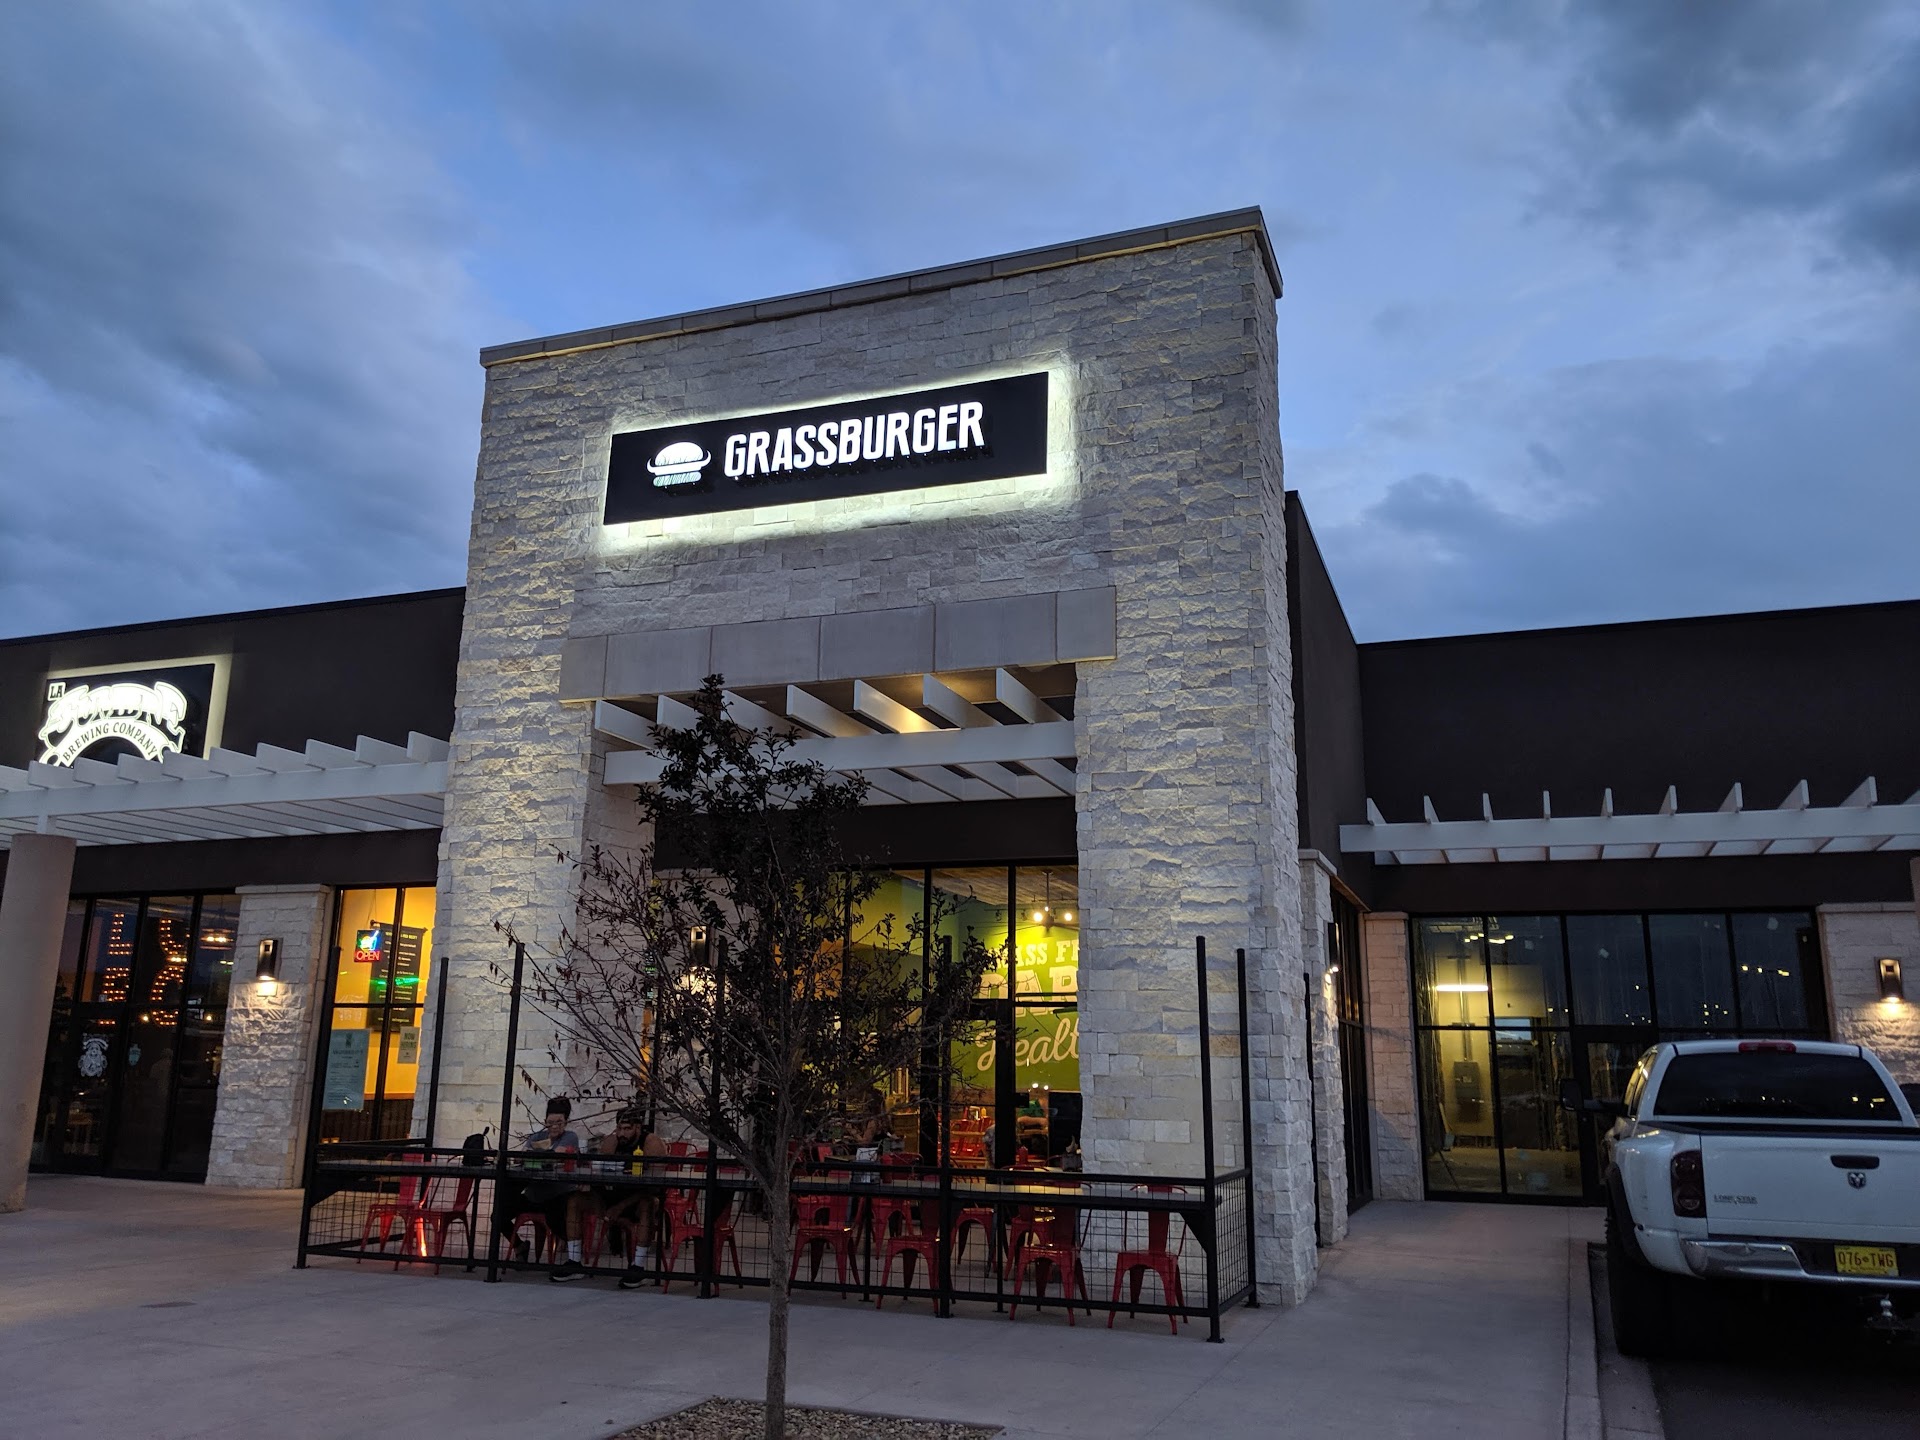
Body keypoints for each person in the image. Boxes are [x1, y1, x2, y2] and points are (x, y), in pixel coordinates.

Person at [492, 1097, 585, 1278]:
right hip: (534, 1193)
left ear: (566, 1122)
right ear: (545, 1122)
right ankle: (519, 1246)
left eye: (559, 1122)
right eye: (550, 1122)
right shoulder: (537, 1137)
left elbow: (555, 1157)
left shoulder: (570, 1137)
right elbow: (523, 1156)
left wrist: (536, 1156)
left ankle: (574, 1255)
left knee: (556, 1218)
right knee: (498, 1214)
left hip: (558, 1194)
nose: (554, 1126)